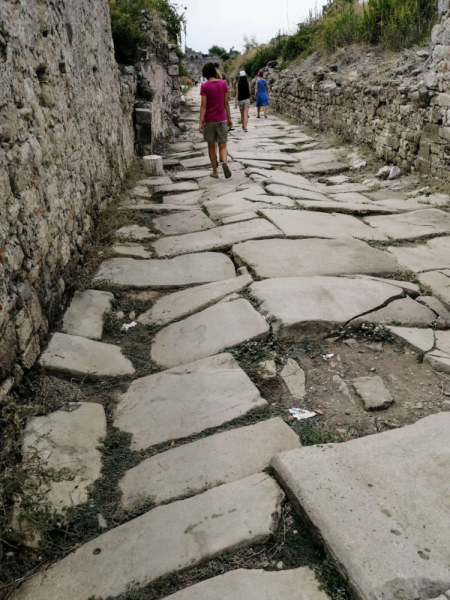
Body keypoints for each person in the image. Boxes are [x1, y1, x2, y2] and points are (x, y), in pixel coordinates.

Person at [199, 62, 233, 179]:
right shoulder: (223, 84)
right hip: (221, 119)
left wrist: (200, 123)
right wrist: (229, 117)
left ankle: (215, 171)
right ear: (214, 71)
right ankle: (224, 161)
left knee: (211, 146)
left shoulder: (204, 86)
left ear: (205, 73)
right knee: (222, 145)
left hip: (209, 120)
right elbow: (226, 103)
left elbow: (203, 106)